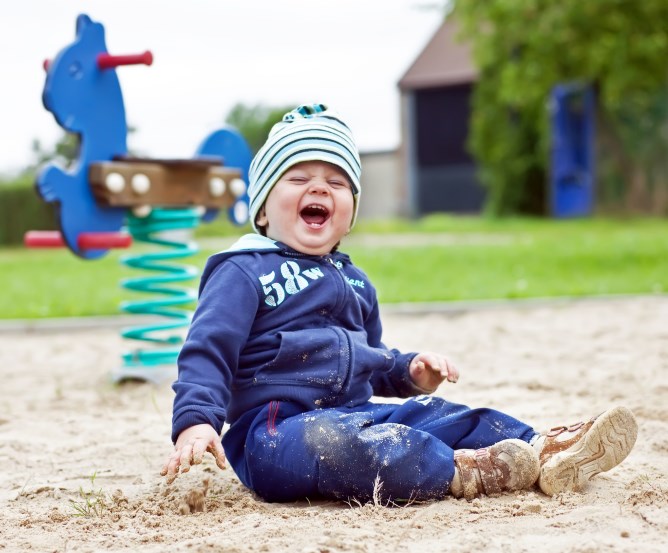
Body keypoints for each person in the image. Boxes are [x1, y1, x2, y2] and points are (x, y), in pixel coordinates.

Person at [161, 104, 637, 502]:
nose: (320, 187)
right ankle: (461, 472)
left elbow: (371, 359)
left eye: (338, 181)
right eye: (298, 176)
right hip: (275, 433)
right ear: (263, 209)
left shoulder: (356, 283)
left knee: (442, 413)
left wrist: (409, 371)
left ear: (349, 214)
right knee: (342, 444)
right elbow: (209, 349)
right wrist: (196, 422)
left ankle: (544, 448)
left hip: (356, 413)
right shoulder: (243, 270)